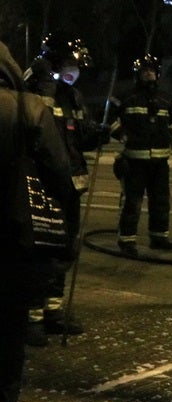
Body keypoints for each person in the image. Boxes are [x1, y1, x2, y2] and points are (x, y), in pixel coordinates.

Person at [0, 40, 78, 402]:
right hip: (12, 244)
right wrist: (65, 237)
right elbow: (59, 177)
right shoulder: (30, 109)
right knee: (8, 337)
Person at [22, 32, 105, 344]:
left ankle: (53, 311)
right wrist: (46, 87)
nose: (75, 70)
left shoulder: (72, 96)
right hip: (42, 186)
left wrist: (98, 133)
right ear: (55, 61)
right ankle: (32, 317)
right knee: (39, 252)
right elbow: (34, 127)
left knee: (65, 250)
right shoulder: (35, 87)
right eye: (71, 63)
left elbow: (78, 135)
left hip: (70, 187)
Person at [108, 54, 172, 258]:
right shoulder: (126, 97)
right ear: (138, 74)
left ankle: (159, 237)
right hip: (134, 160)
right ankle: (127, 240)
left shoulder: (166, 98)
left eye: (152, 70)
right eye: (145, 71)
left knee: (160, 200)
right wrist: (122, 135)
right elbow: (108, 118)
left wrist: (170, 133)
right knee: (132, 202)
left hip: (160, 161)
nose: (149, 74)